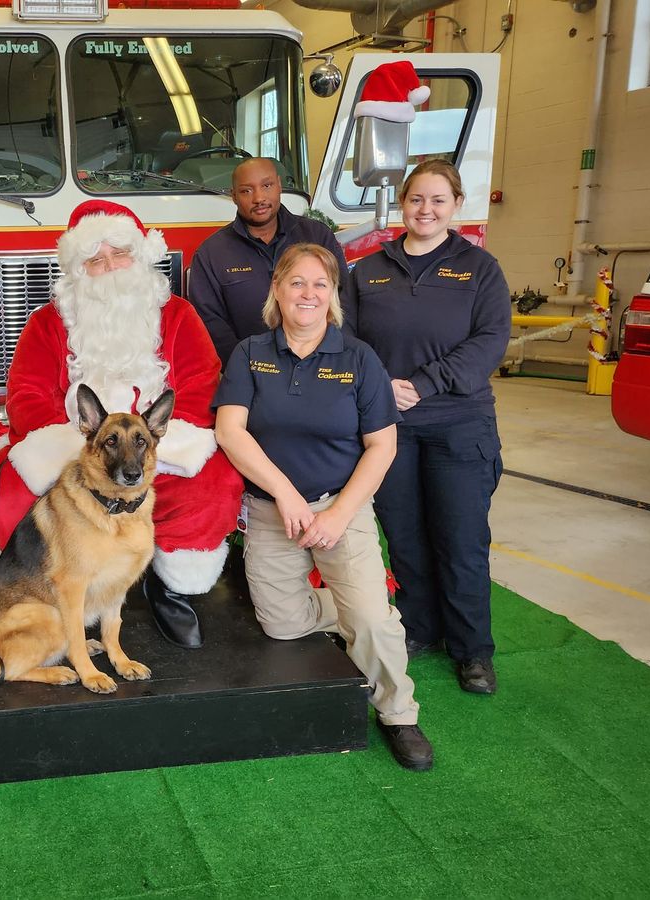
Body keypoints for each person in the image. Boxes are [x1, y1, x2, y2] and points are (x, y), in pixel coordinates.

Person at [0, 200, 244, 649]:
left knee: (212, 481)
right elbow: (25, 393)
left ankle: (171, 586)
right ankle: (47, 593)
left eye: (120, 254)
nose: (110, 268)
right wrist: (77, 454)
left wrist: (168, 446)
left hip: (156, 451)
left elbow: (202, 384)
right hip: (81, 456)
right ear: (78, 271)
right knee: (15, 490)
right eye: (95, 260)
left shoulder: (178, 316)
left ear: (139, 258)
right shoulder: (47, 324)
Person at [214, 243, 433, 771]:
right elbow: (229, 429)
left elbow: (383, 445)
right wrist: (285, 494)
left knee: (373, 626)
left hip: (342, 507)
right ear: (277, 292)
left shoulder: (359, 359)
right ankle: (358, 609)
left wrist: (337, 514)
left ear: (332, 296)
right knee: (283, 627)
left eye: (320, 284)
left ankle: (398, 712)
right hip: (272, 513)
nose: (307, 294)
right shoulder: (250, 353)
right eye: (296, 283)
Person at [342, 159, 511, 695]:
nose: (426, 209)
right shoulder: (367, 270)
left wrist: (428, 382)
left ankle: (472, 649)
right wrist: (377, 384)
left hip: (459, 425)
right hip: (388, 428)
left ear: (456, 206)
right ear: (402, 204)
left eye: (438, 200)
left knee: (460, 539)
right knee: (406, 535)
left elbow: (489, 340)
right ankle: (419, 626)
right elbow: (344, 338)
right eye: (417, 199)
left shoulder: (480, 269)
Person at [189, 157, 348, 367]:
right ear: (233, 196)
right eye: (247, 191)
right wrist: (247, 366)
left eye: (267, 186)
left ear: (279, 186)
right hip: (248, 372)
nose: (259, 198)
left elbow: (343, 297)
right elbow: (209, 321)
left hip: (320, 367)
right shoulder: (212, 253)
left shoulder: (317, 236)